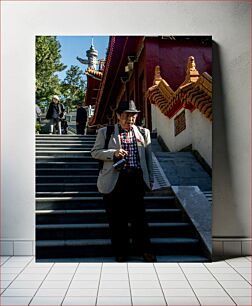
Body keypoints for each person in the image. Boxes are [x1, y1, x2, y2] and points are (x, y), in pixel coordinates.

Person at [91, 100, 156, 262]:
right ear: (118, 116)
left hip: (136, 179)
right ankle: (121, 252)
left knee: (139, 218)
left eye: (133, 116)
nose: (130, 120)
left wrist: (151, 179)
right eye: (126, 116)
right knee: (116, 219)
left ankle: (145, 250)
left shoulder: (143, 133)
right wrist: (113, 153)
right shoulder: (106, 132)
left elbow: (149, 159)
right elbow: (95, 152)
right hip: (115, 180)